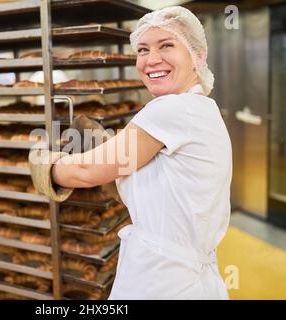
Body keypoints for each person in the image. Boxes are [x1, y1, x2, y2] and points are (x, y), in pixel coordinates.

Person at [29, 6, 232, 299]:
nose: (152, 60)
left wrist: (43, 164)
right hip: (188, 277)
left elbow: (85, 171)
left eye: (166, 46)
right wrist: (111, 156)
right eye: (143, 49)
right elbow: (169, 182)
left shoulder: (171, 109)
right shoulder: (202, 108)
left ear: (198, 56)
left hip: (162, 279)